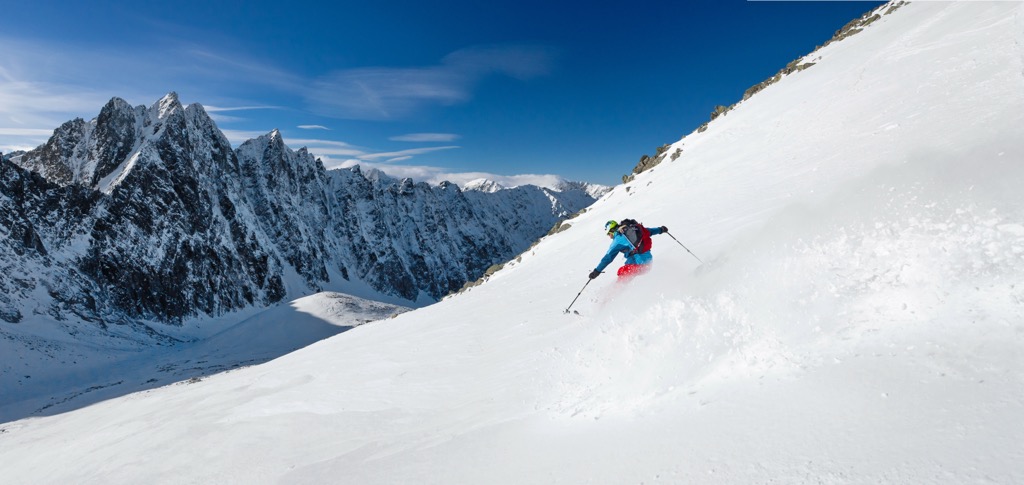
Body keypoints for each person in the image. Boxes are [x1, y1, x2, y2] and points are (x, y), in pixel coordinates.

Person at [589, 219, 668, 280]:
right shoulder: (634, 230)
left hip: (640, 266)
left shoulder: (618, 240)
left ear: (612, 231)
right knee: (627, 267)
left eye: (609, 234)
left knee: (622, 272)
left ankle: (612, 296)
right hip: (648, 262)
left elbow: (608, 258)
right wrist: (661, 229)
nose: (609, 236)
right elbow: (649, 231)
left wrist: (597, 271)